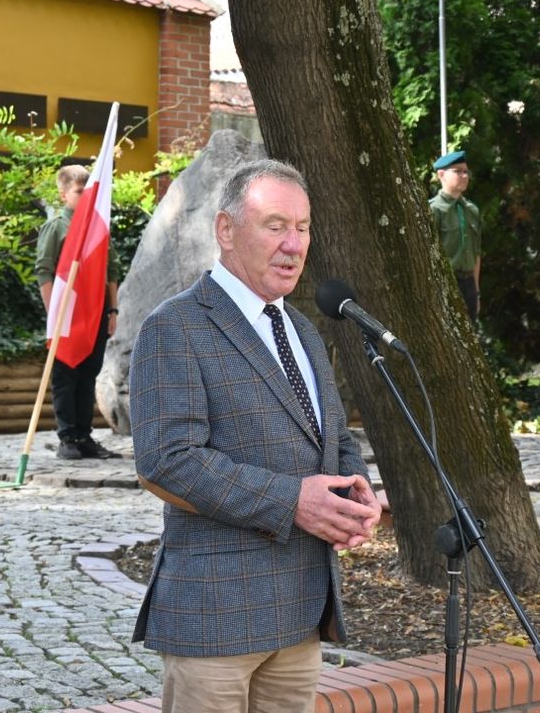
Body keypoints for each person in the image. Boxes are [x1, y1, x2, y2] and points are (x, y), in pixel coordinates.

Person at [128, 159, 382, 713]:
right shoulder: (175, 327)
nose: (294, 244)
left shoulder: (306, 331)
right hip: (215, 614)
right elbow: (167, 461)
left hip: (300, 610)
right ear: (226, 230)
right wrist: (293, 500)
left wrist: (354, 491)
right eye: (274, 226)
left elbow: (334, 439)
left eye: (303, 227)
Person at [35, 164, 121, 460]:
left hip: (95, 310)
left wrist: (113, 309)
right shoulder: (57, 227)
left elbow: (111, 270)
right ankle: (67, 437)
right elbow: (44, 272)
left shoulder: (98, 227)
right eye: (79, 192)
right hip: (67, 313)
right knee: (66, 375)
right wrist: (53, 314)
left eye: (89, 192)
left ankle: (84, 436)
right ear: (63, 195)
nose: (85, 197)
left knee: (88, 373)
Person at [429, 150, 481, 322]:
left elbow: (476, 254)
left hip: (469, 285)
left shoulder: (472, 210)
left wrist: (476, 291)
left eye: (466, 171)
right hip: (446, 283)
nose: (464, 175)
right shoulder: (434, 209)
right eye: (458, 171)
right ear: (441, 174)